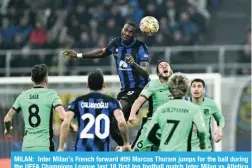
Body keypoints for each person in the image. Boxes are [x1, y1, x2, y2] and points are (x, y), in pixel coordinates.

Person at [62, 21, 150, 146]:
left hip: (139, 89)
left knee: (115, 116)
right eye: (126, 30)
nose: (127, 33)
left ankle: (127, 148)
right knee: (110, 123)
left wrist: (133, 64)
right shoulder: (116, 43)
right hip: (125, 90)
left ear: (135, 35)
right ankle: (128, 147)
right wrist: (78, 55)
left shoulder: (140, 47)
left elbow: (146, 72)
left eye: (131, 32)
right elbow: (102, 52)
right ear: (122, 29)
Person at [58, 69, 131, 151]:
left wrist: (60, 148)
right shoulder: (112, 102)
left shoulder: (77, 101)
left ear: (87, 84)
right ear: (104, 84)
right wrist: (126, 143)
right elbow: (121, 123)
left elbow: (66, 123)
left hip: (81, 152)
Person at [3, 64, 69, 151]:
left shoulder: (23, 96)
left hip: (27, 147)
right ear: (46, 79)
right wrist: (71, 126)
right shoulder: (51, 94)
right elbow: (63, 117)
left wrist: (7, 129)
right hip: (45, 147)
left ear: (32, 79)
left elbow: (7, 119)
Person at [146, 73, 207, 151]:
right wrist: (202, 145)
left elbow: (149, 134)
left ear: (170, 89)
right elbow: (202, 130)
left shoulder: (160, 109)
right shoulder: (194, 108)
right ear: (186, 88)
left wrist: (162, 145)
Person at [128, 60, 173, 151]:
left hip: (168, 128)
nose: (164, 67)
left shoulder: (177, 87)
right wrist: (132, 114)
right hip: (151, 125)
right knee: (136, 154)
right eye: (161, 66)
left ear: (171, 71)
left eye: (166, 65)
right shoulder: (153, 84)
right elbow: (139, 100)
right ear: (158, 74)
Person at [188, 78, 225, 151]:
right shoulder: (184, 104)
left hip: (205, 147)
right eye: (194, 86)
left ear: (204, 89)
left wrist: (219, 128)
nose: (196, 89)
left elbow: (220, 118)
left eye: (199, 86)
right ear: (190, 89)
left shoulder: (210, 104)